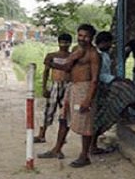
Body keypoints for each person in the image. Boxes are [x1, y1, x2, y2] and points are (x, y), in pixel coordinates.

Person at [37, 24, 100, 168]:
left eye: (86, 36)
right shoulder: (76, 50)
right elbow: (67, 67)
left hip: (85, 88)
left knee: (85, 123)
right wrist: (52, 63)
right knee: (63, 118)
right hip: (72, 87)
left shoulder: (93, 54)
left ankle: (84, 156)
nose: (82, 39)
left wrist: (88, 99)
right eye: (80, 35)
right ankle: (56, 149)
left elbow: (95, 79)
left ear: (91, 38)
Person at [89, 31, 135, 155]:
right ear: (104, 43)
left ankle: (92, 144)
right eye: (110, 43)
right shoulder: (98, 56)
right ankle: (92, 146)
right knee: (101, 115)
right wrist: (116, 79)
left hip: (103, 84)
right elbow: (100, 74)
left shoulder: (103, 54)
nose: (111, 45)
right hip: (101, 86)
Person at [33, 33, 72, 143]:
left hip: (68, 85)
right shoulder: (52, 55)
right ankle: (42, 134)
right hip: (55, 84)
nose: (64, 45)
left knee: (64, 113)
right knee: (49, 111)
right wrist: (44, 87)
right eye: (62, 42)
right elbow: (46, 72)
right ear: (58, 43)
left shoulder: (72, 56)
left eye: (66, 42)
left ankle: (61, 136)